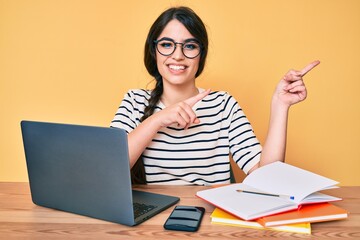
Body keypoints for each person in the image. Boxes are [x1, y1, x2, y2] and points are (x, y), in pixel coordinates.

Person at [111, 6, 320, 185]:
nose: (177, 55)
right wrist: (158, 119)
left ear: (201, 54)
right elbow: (109, 167)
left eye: (190, 46)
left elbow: (266, 178)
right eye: (166, 44)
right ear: (153, 51)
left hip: (210, 222)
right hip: (152, 224)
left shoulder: (223, 105)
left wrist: (280, 105)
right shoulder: (134, 101)